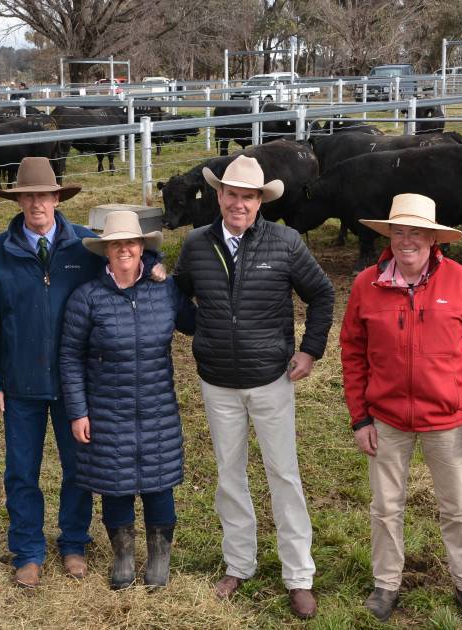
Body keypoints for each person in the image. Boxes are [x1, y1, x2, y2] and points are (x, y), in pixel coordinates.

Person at [0, 157, 164, 588]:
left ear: (58, 198)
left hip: (77, 383)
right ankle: (27, 550)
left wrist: (155, 262)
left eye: (44, 194)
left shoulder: (84, 246)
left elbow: (129, 252)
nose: (37, 202)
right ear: (18, 200)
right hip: (20, 382)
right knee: (21, 470)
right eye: (28, 196)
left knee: (78, 467)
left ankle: (74, 542)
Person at [172, 155, 335, 619]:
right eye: (231, 194)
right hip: (217, 381)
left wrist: (311, 349)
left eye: (248, 196)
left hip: (271, 378)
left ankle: (298, 574)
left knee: (283, 474)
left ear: (261, 201)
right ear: (218, 196)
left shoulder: (285, 243)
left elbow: (321, 293)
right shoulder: (197, 244)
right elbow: (180, 295)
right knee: (229, 475)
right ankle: (238, 563)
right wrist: (201, 330)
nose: (238, 203)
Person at [339, 194, 462, 629]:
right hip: (386, 420)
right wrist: (360, 416)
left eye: (416, 232)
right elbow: (352, 352)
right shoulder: (365, 285)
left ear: (433, 238)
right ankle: (386, 583)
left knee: (457, 507)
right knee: (385, 506)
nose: (407, 240)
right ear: (389, 236)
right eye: (399, 232)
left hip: (448, 420)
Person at [59, 210, 195, 590]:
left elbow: (196, 321)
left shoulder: (164, 290)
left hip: (156, 404)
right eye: (116, 243)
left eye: (131, 243)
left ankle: (159, 557)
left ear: (142, 248)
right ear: (105, 251)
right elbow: (69, 357)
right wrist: (78, 411)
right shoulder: (87, 297)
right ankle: (123, 557)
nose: (124, 249)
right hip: (106, 407)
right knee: (114, 482)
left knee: (158, 482)